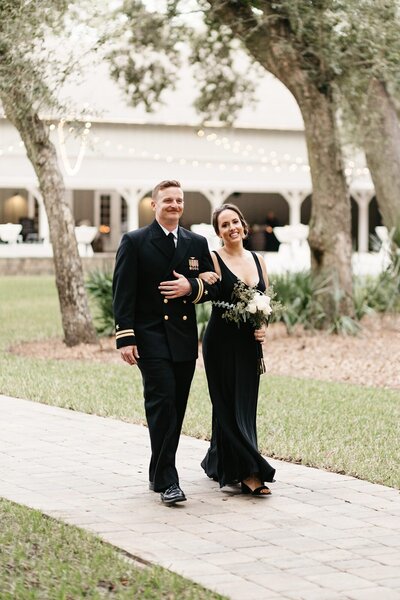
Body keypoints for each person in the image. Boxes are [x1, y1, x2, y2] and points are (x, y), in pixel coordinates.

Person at [112, 180, 219, 506]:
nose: (174, 205)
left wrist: (192, 286)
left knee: (176, 407)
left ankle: (157, 473)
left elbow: (214, 288)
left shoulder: (196, 242)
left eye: (179, 200)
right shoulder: (135, 241)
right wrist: (125, 337)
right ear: (154, 205)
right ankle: (169, 481)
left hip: (184, 340)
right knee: (162, 407)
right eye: (167, 200)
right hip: (150, 337)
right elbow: (123, 292)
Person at [200, 204, 276, 495]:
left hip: (248, 345)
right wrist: (200, 280)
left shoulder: (258, 260)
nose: (231, 228)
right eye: (224, 225)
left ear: (243, 225)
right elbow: (198, 285)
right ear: (218, 232)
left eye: (234, 221)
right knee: (226, 404)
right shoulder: (213, 260)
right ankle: (250, 471)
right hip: (219, 341)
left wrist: (262, 326)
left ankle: (217, 461)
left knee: (244, 404)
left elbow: (264, 303)